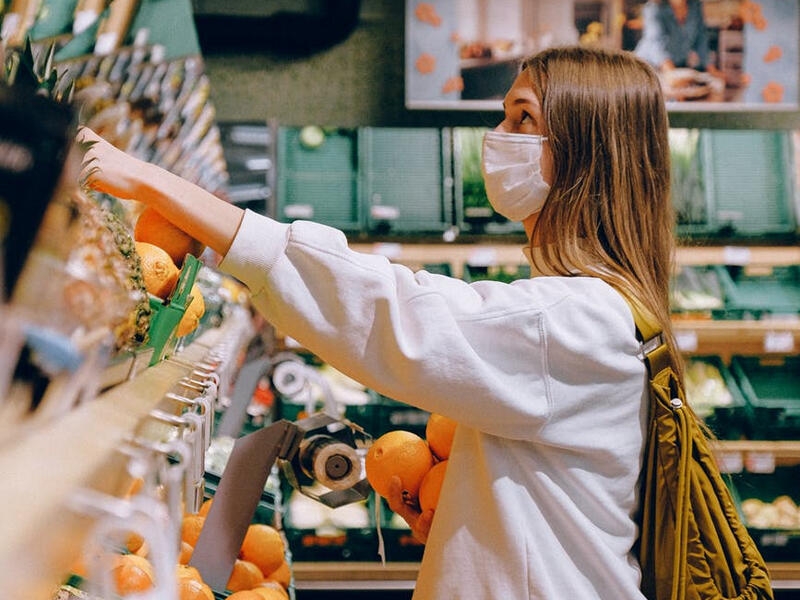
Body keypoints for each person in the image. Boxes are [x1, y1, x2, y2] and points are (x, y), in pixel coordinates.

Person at [79, 44, 682, 599]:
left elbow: (388, 308)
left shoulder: (574, 319)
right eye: (502, 115)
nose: (497, 137)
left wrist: (151, 181)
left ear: (587, 150)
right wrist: (469, 507)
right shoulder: (598, 306)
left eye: (522, 119)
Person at [634, 0, 720, 75]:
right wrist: (671, 73)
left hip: (677, 65)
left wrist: (711, 69)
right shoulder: (653, 8)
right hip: (648, 67)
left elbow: (701, 39)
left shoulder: (695, 6)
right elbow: (656, 43)